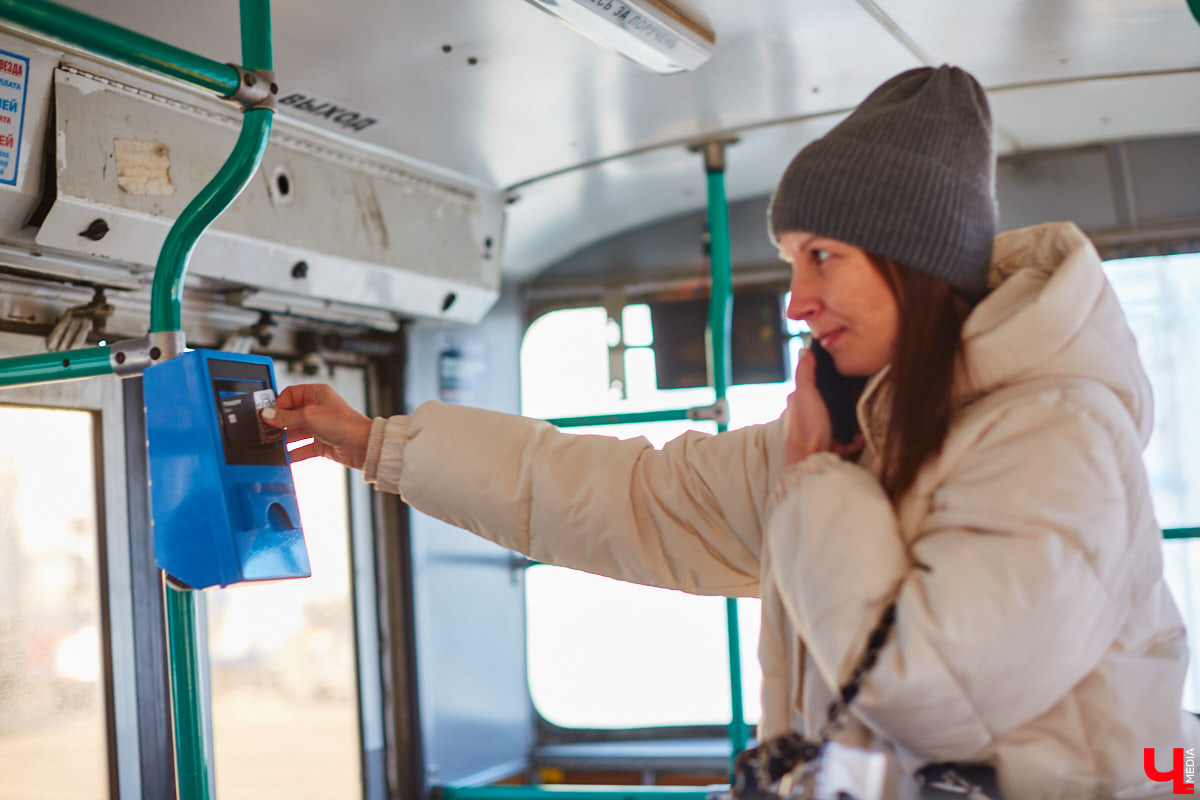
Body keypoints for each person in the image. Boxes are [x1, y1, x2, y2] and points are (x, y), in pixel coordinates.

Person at [261, 66, 1199, 798]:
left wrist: (819, 484)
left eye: (822, 257)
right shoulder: (853, 433)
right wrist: (382, 446)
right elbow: (631, 500)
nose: (796, 299)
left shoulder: (1054, 438)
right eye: (792, 262)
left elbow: (932, 694)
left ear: (914, 261)